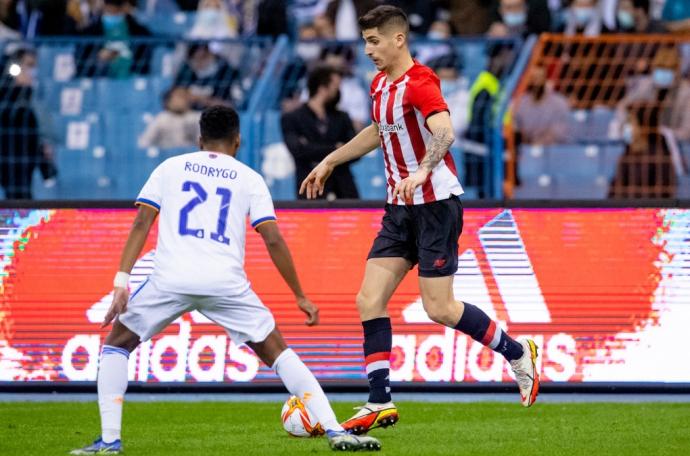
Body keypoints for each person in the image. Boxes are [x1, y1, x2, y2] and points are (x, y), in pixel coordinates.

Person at [70, 106, 381, 454]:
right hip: (225, 283)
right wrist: (300, 295)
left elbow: (141, 223)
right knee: (278, 352)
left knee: (117, 344)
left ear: (199, 139)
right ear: (238, 141)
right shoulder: (249, 178)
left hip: (171, 277)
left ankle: (110, 440)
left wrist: (120, 282)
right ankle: (336, 431)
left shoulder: (169, 168)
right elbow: (273, 239)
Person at [300, 5, 540, 435]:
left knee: (439, 308)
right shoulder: (379, 84)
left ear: (398, 39)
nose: (368, 49)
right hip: (399, 209)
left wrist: (424, 169)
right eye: (365, 41)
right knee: (368, 300)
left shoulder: (421, 81)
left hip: (435, 207)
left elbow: (444, 131)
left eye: (374, 41)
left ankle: (517, 352)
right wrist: (330, 161)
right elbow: (378, 130)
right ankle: (379, 402)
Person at [281, 65, 359, 199]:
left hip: (344, 191)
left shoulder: (342, 117)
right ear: (323, 88)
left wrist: (312, 148)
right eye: (336, 86)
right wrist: (337, 148)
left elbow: (355, 152)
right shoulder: (292, 118)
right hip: (310, 191)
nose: (338, 91)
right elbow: (298, 150)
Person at [513, 65, 571, 145]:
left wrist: (540, 143)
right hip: (527, 148)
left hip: (554, 148)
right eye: (533, 78)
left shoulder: (559, 102)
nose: (536, 82)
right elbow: (515, 127)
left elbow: (560, 130)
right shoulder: (520, 102)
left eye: (539, 78)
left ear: (546, 79)